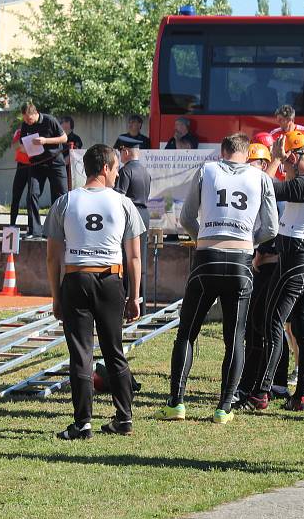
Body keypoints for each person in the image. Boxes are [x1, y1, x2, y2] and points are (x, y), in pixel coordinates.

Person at [154, 133, 278, 424]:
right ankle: (224, 407)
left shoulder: (207, 170)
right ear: (247, 153)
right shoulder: (261, 177)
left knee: (187, 333)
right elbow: (271, 227)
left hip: (206, 259)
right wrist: (249, 242)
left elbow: (185, 217)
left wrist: (205, 239)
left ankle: (176, 402)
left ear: (221, 151)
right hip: (241, 263)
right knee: (235, 337)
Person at [45, 144, 145, 439]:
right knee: (115, 351)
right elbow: (134, 256)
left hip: (76, 278)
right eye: (115, 168)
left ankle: (82, 423)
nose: (117, 173)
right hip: (111, 280)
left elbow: (53, 256)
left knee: (81, 354)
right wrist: (134, 295)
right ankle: (124, 418)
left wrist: (55, 295)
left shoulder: (65, 201)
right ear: (105, 168)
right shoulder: (123, 203)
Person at [246, 130, 304, 412]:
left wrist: (272, 160)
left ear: (295, 157)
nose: (284, 167)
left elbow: (264, 186)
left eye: (287, 162)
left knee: (273, 322)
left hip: (295, 262)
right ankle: (302, 394)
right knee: (301, 327)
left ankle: (261, 392)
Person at [237, 143, 290, 402]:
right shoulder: (252, 186)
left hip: (271, 263)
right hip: (260, 263)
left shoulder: (270, 187)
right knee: (257, 326)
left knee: (267, 325)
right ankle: (260, 380)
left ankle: (272, 382)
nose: (250, 169)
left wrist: (260, 252)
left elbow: (273, 228)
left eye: (254, 163)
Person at [20, 103, 68, 238]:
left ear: (36, 113)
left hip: (55, 162)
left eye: (29, 119)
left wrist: (45, 141)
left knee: (60, 196)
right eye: (25, 120)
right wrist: (24, 148)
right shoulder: (25, 125)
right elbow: (21, 144)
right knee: (32, 194)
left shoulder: (49, 120)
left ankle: (59, 230)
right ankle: (34, 230)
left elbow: (64, 138)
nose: (27, 122)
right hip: (37, 163)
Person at [114, 139, 151, 316]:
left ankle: (125, 307)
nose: (120, 156)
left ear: (126, 151)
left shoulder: (125, 171)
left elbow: (119, 198)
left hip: (130, 216)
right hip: (144, 214)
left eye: (121, 151)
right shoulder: (145, 171)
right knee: (140, 261)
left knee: (126, 261)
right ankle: (141, 306)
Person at [9, 128, 38, 234]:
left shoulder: (38, 131)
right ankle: (12, 224)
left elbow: (40, 149)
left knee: (31, 198)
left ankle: (31, 227)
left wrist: (26, 148)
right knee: (16, 195)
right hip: (21, 166)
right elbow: (16, 146)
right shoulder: (19, 131)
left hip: (33, 166)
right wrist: (30, 149)